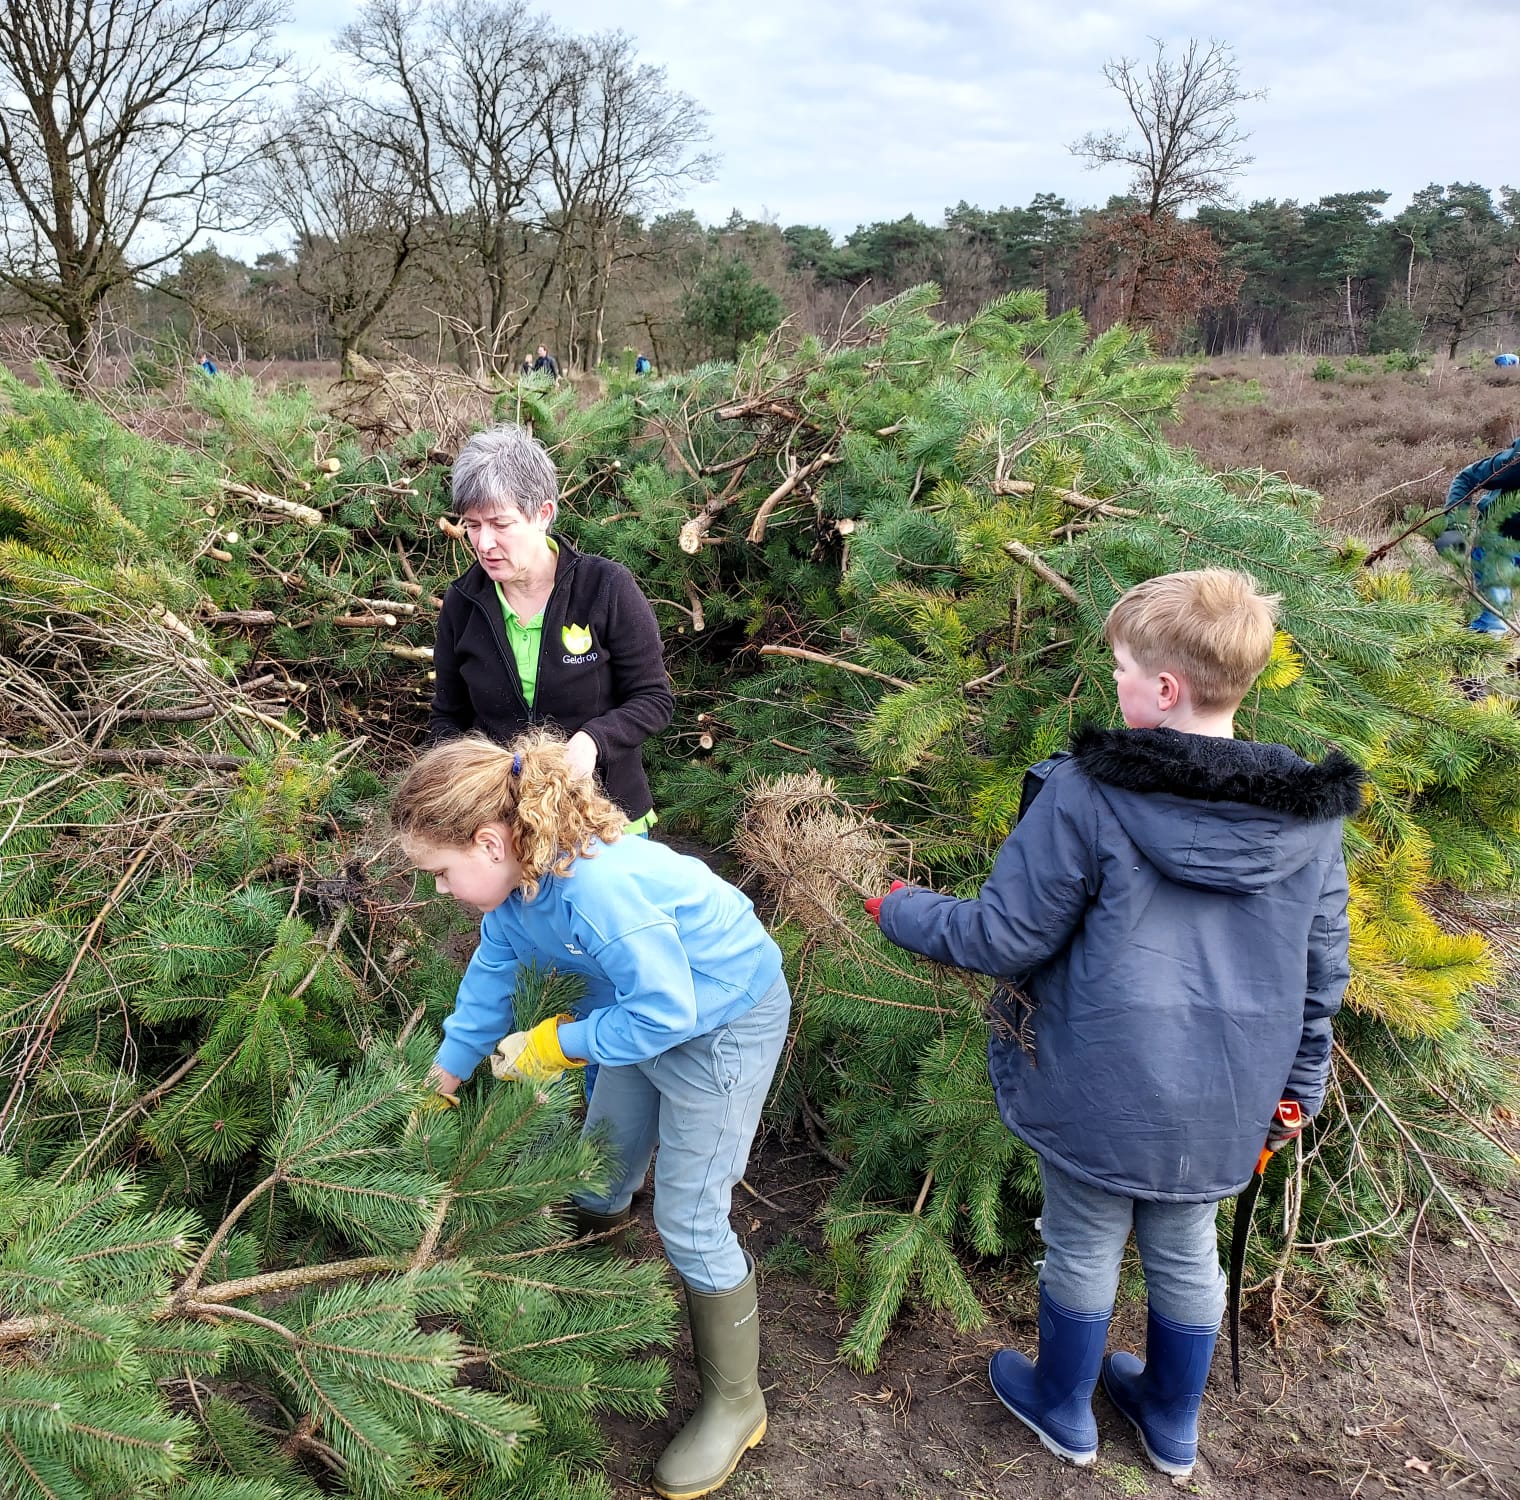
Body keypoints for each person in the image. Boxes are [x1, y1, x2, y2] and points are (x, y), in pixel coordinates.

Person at [868, 569, 1361, 1479]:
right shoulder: (1308, 820)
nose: (1117, 684)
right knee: (1186, 1245)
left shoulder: (1088, 793)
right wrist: (1299, 1087)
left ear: (1165, 690)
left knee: (1085, 1238)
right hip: (1229, 1092)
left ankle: (1065, 1407)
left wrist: (897, 905)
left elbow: (1003, 933)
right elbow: (1322, 973)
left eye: (1125, 668)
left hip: (1097, 1079)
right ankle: (1172, 1423)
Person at [397, 727, 791, 1500]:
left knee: (689, 1215)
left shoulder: (598, 891)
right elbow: (489, 979)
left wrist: (558, 1044)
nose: (438, 889)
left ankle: (738, 1404)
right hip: (641, 1013)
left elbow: (670, 1008)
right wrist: (442, 1078)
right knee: (604, 1154)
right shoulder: (518, 890)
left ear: (486, 842)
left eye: (440, 874)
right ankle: (594, 1271)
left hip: (721, 1024)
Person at [430, 424, 673, 835]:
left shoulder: (606, 587)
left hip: (607, 819)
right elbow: (447, 719)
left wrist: (593, 741)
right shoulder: (462, 604)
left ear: (542, 514)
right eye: (472, 525)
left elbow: (653, 699)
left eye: (500, 524)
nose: (484, 542)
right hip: (509, 827)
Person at [1435, 436, 1520, 633]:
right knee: (1494, 623)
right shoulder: (1515, 464)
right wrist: (1455, 527)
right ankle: (1474, 656)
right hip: (1498, 540)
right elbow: (1467, 477)